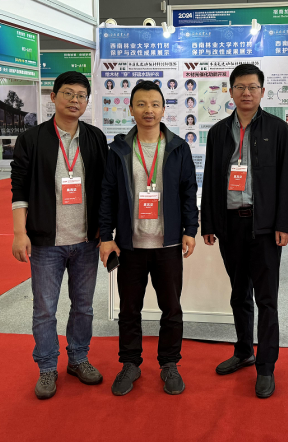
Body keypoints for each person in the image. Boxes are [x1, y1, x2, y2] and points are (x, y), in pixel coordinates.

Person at [10, 71, 108, 400]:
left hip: (85, 241)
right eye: (68, 93)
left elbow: (105, 189)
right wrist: (19, 232)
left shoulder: (95, 138)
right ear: (53, 97)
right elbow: (19, 188)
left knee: (84, 307)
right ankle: (47, 366)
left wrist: (105, 231)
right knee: (44, 310)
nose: (74, 100)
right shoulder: (32, 139)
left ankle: (78, 359)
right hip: (45, 242)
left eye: (81, 95)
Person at [201, 64, 288, 399]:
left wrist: (284, 224)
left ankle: (266, 366)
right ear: (230, 91)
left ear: (262, 92)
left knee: (266, 298)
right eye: (240, 87)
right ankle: (244, 351)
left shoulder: (277, 129)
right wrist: (208, 223)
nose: (246, 93)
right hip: (230, 224)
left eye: (253, 87)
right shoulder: (218, 132)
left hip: (265, 227)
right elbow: (211, 179)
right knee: (238, 293)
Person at [99, 81, 199, 397]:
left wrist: (190, 229)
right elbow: (107, 194)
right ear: (130, 109)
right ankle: (130, 363)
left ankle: (169, 363)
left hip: (168, 244)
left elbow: (188, 191)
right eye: (141, 104)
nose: (148, 110)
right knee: (129, 309)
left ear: (163, 109)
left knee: (171, 308)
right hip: (130, 246)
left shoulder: (178, 148)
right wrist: (106, 236)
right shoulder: (119, 150)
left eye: (155, 104)